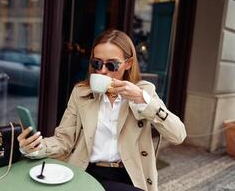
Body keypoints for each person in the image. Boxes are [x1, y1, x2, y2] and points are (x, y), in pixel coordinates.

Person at [17, 29, 187, 191]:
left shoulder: (144, 93)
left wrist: (143, 100)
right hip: (88, 171)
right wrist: (36, 147)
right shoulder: (81, 93)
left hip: (130, 174)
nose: (102, 70)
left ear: (128, 63)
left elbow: (178, 135)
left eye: (111, 65)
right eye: (97, 63)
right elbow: (63, 140)